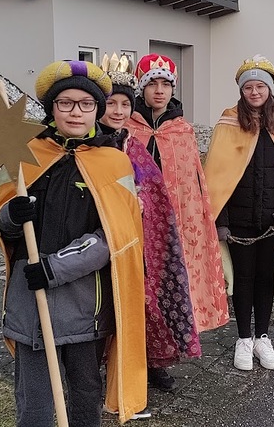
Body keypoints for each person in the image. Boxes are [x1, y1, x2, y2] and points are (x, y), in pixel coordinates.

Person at [0, 60, 147, 425]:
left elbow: (115, 237)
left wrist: (55, 267)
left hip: (84, 307)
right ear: (52, 108)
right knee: (37, 405)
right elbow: (0, 223)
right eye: (66, 103)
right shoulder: (25, 155)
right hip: (31, 306)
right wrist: (13, 215)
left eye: (85, 104)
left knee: (82, 399)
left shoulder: (115, 163)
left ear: (97, 109)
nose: (76, 112)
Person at [99, 60, 201, 394]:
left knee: (150, 297)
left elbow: (161, 182)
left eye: (123, 104)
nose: (118, 110)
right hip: (106, 231)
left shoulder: (147, 139)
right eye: (111, 103)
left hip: (153, 230)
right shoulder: (114, 137)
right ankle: (105, 363)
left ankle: (152, 362)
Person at [204, 54, 274, 370]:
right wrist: (220, 220)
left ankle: (263, 338)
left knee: (265, 279)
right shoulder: (228, 122)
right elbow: (216, 175)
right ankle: (243, 339)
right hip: (238, 222)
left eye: (260, 86)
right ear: (242, 90)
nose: (254, 92)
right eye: (248, 86)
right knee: (242, 279)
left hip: (272, 222)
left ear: (269, 88)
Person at [126, 53, 229, 334]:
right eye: (152, 84)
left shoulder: (182, 130)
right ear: (142, 88)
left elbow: (192, 184)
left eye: (165, 84)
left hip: (176, 221)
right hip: (137, 218)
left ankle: (166, 347)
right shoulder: (127, 129)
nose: (159, 90)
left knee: (168, 280)